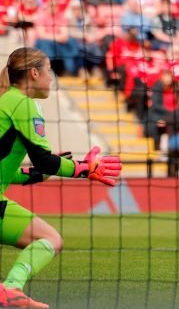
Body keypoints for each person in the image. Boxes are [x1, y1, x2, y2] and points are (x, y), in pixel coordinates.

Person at [0, 47, 121, 307]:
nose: (52, 78)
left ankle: (11, 289)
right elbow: (44, 159)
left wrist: (39, 174)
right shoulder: (22, 103)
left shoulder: (8, 101)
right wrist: (86, 169)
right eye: (49, 71)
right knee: (50, 239)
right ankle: (10, 287)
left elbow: (9, 171)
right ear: (34, 73)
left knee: (47, 239)